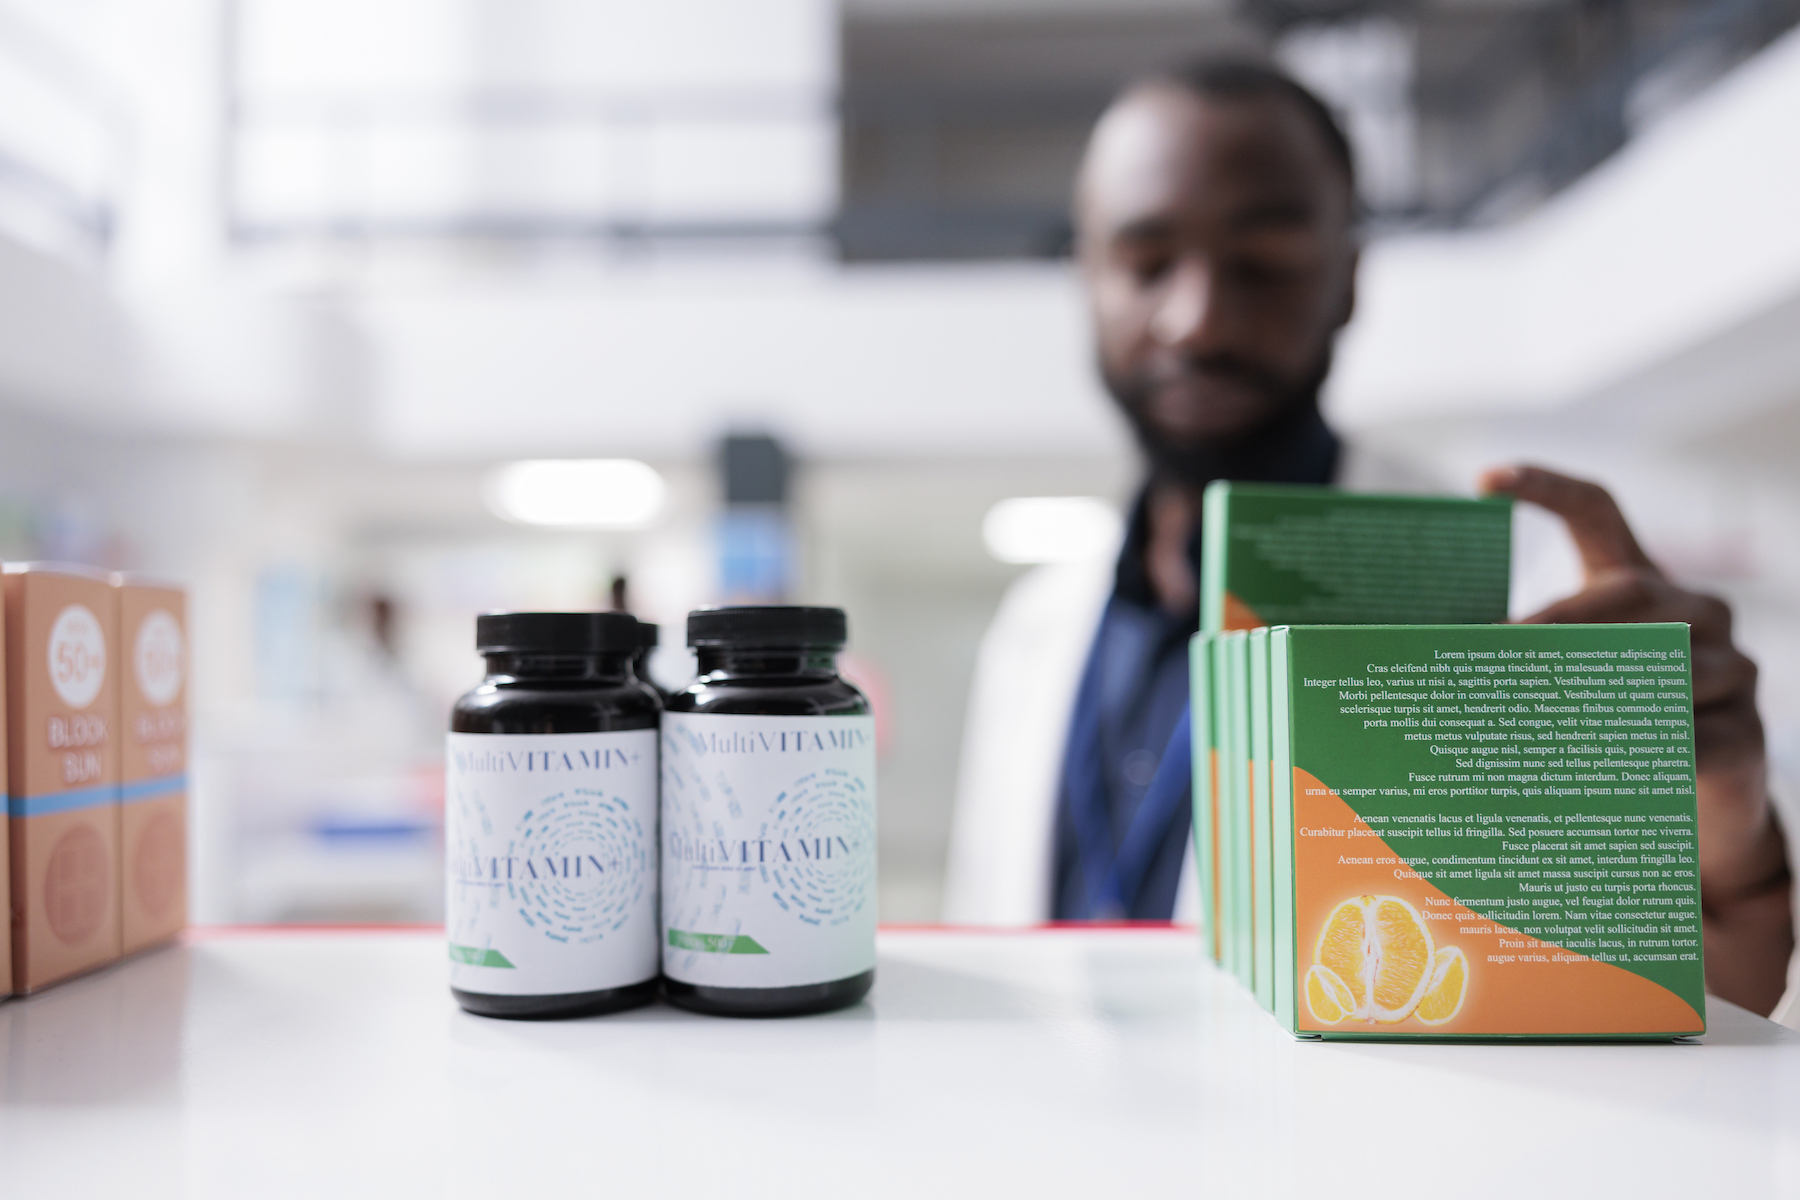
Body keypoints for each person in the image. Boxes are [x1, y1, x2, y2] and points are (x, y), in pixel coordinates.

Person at [943, 59, 1796, 1016]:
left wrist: (1731, 835)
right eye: (1145, 262)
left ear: (1349, 280)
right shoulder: (1036, 628)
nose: (1198, 318)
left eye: (1263, 263)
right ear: (1086, 280)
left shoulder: (1532, 599)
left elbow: (1720, 995)